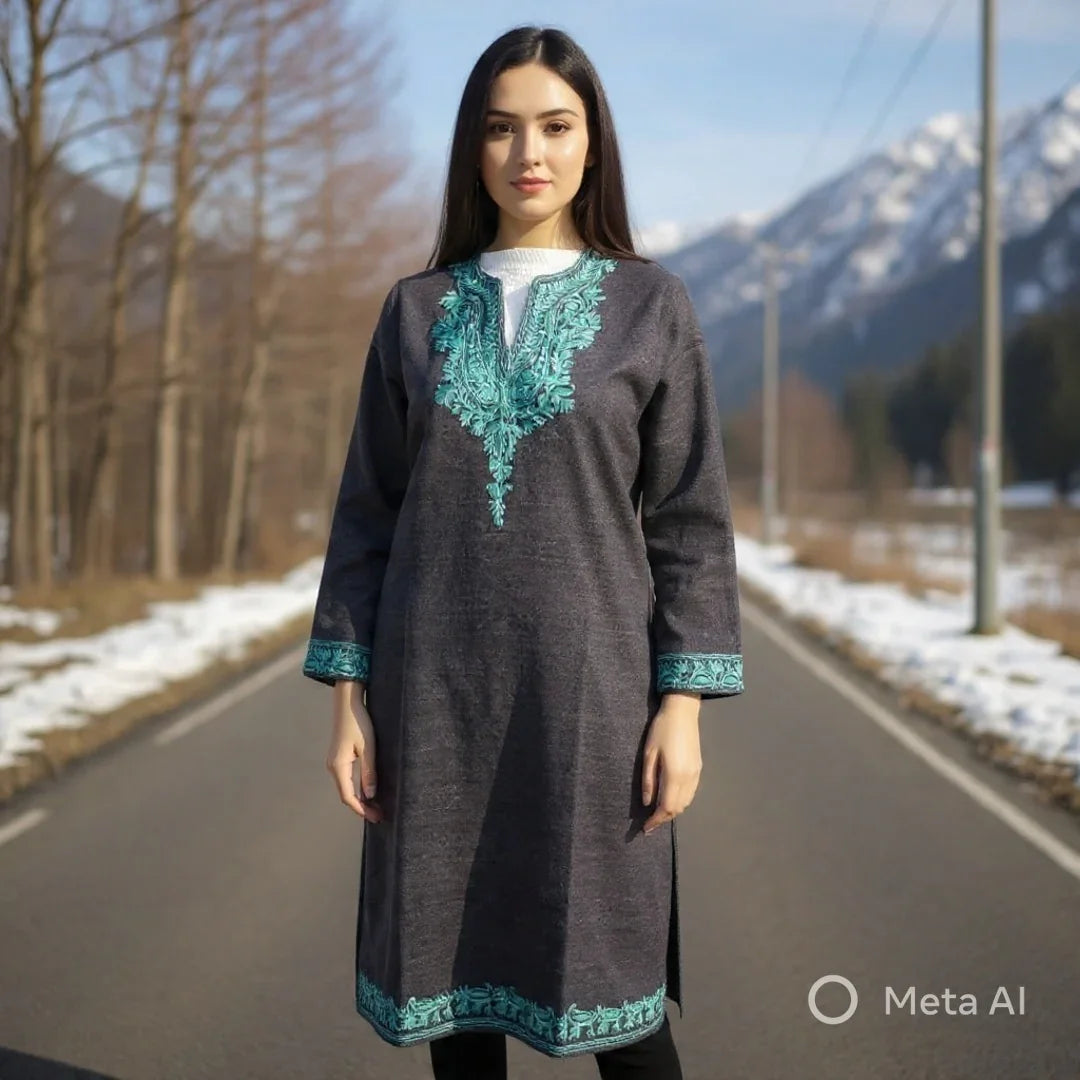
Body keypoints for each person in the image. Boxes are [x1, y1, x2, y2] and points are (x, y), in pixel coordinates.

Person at [302, 24, 744, 1080]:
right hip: (433, 705)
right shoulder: (416, 312)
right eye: (500, 129)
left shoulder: (650, 305)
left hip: (593, 707)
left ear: (594, 143)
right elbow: (368, 514)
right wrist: (347, 702)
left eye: (555, 124)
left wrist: (680, 710)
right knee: (459, 1018)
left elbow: (689, 519)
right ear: (472, 149)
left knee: (625, 1017)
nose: (527, 152)